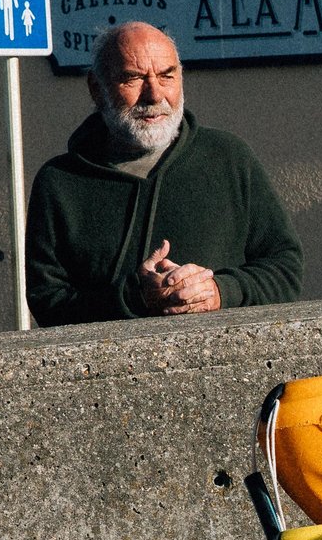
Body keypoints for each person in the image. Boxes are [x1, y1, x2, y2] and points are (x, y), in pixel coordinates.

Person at [25, 21, 303, 325]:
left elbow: (284, 268)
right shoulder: (60, 182)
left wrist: (218, 291)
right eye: (133, 78)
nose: (154, 94)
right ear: (96, 87)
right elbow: (47, 302)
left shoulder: (229, 158)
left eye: (166, 76)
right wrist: (135, 298)